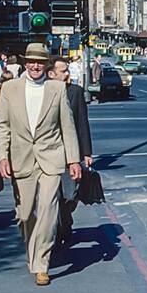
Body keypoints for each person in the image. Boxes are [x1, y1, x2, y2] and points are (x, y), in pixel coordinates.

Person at [0, 43, 82, 286]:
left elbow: (68, 126)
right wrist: (2, 157)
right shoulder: (10, 88)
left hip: (51, 158)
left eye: (40, 62)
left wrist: (73, 159)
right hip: (21, 159)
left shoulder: (57, 88)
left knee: (48, 210)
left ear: (46, 65)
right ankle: (33, 251)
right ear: (24, 63)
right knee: (24, 214)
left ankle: (42, 264)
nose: (35, 66)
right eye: (31, 61)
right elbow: (1, 126)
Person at [49, 58, 94, 247]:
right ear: (51, 74)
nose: (67, 74)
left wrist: (87, 152)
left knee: (71, 195)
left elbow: (82, 123)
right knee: (53, 196)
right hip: (49, 153)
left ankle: (66, 218)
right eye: (63, 71)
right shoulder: (44, 91)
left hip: (71, 153)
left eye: (67, 70)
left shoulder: (75, 92)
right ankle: (59, 228)